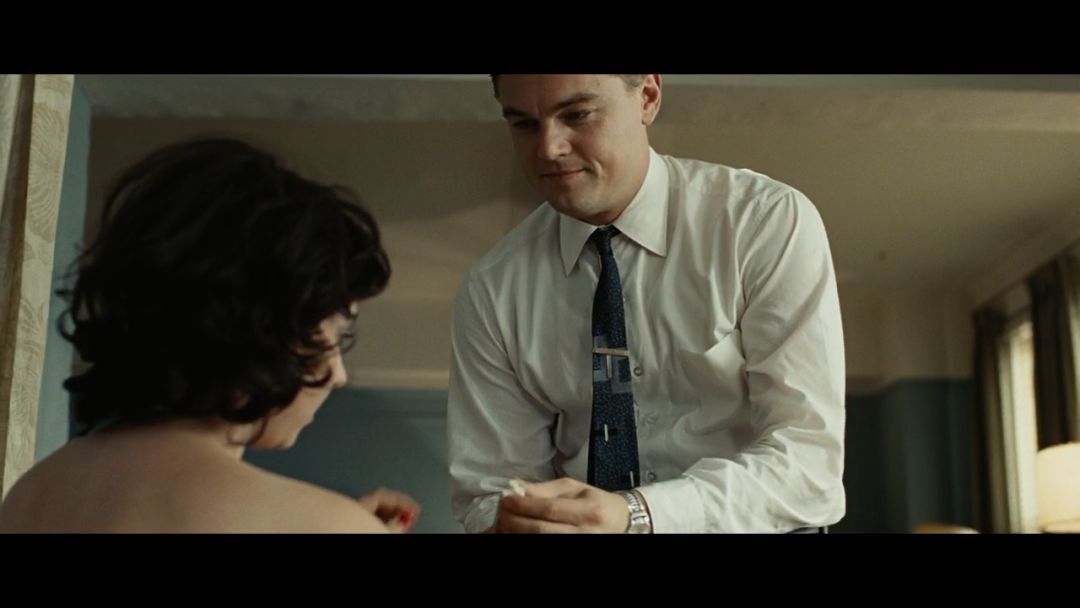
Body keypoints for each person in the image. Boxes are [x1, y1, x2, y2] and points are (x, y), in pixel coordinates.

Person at [447, 74, 845, 533]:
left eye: (577, 114)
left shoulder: (762, 223)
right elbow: (491, 491)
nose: (549, 149)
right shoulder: (491, 289)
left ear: (648, 97)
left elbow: (810, 464)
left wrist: (635, 515)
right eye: (524, 124)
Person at [0, 137, 419, 533]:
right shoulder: (326, 526)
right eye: (335, 338)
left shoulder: (32, 495)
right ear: (266, 328)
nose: (338, 376)